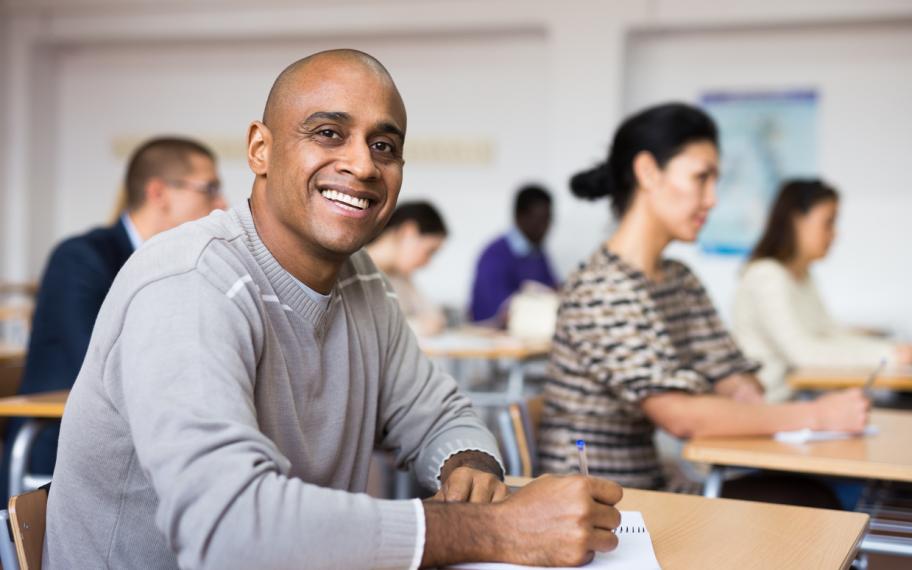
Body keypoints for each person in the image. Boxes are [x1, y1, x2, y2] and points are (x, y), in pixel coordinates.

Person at [44, 50, 623, 569]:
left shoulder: (361, 282)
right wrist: (491, 529)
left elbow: (441, 415)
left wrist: (467, 461)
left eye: (384, 146)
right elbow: (228, 532)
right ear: (260, 150)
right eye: (328, 133)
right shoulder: (190, 281)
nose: (364, 166)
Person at [538, 103, 869, 500]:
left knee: (813, 494)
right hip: (603, 508)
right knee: (814, 499)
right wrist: (818, 416)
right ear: (647, 172)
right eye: (701, 178)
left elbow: (733, 375)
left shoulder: (679, 279)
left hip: (656, 486)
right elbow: (680, 416)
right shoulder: (602, 288)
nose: (712, 199)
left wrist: (740, 394)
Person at [1, 137, 226, 501]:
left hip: (142, 444)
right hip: (61, 454)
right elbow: (105, 367)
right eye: (210, 188)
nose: (222, 203)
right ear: (159, 193)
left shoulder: (180, 264)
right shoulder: (80, 258)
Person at [733, 179, 912, 403]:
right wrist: (889, 355)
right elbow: (804, 354)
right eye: (828, 222)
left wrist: (892, 350)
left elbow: (829, 333)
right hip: (773, 405)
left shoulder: (802, 275)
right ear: (797, 221)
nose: (835, 234)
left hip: (799, 399)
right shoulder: (766, 275)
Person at [469, 184, 557, 322]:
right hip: (493, 337)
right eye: (539, 220)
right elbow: (496, 309)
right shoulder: (495, 255)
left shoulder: (537, 252)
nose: (545, 227)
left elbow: (551, 290)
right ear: (520, 217)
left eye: (548, 220)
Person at [366, 201, 448, 337]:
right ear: (408, 232)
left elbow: (436, 319)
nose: (428, 262)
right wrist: (420, 325)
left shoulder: (399, 276)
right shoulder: (353, 270)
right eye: (429, 251)